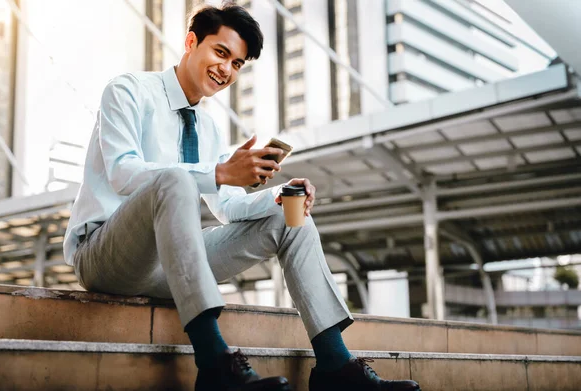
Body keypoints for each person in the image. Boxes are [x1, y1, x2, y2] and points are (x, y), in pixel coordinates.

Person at [63, 4, 420, 391]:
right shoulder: (128, 90)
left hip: (168, 266)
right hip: (104, 255)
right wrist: (219, 173)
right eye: (221, 53)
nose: (227, 70)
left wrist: (280, 197)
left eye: (237, 64)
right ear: (191, 42)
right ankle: (214, 363)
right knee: (175, 180)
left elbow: (229, 207)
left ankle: (335, 364)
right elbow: (123, 173)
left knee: (292, 215)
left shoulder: (210, 128)